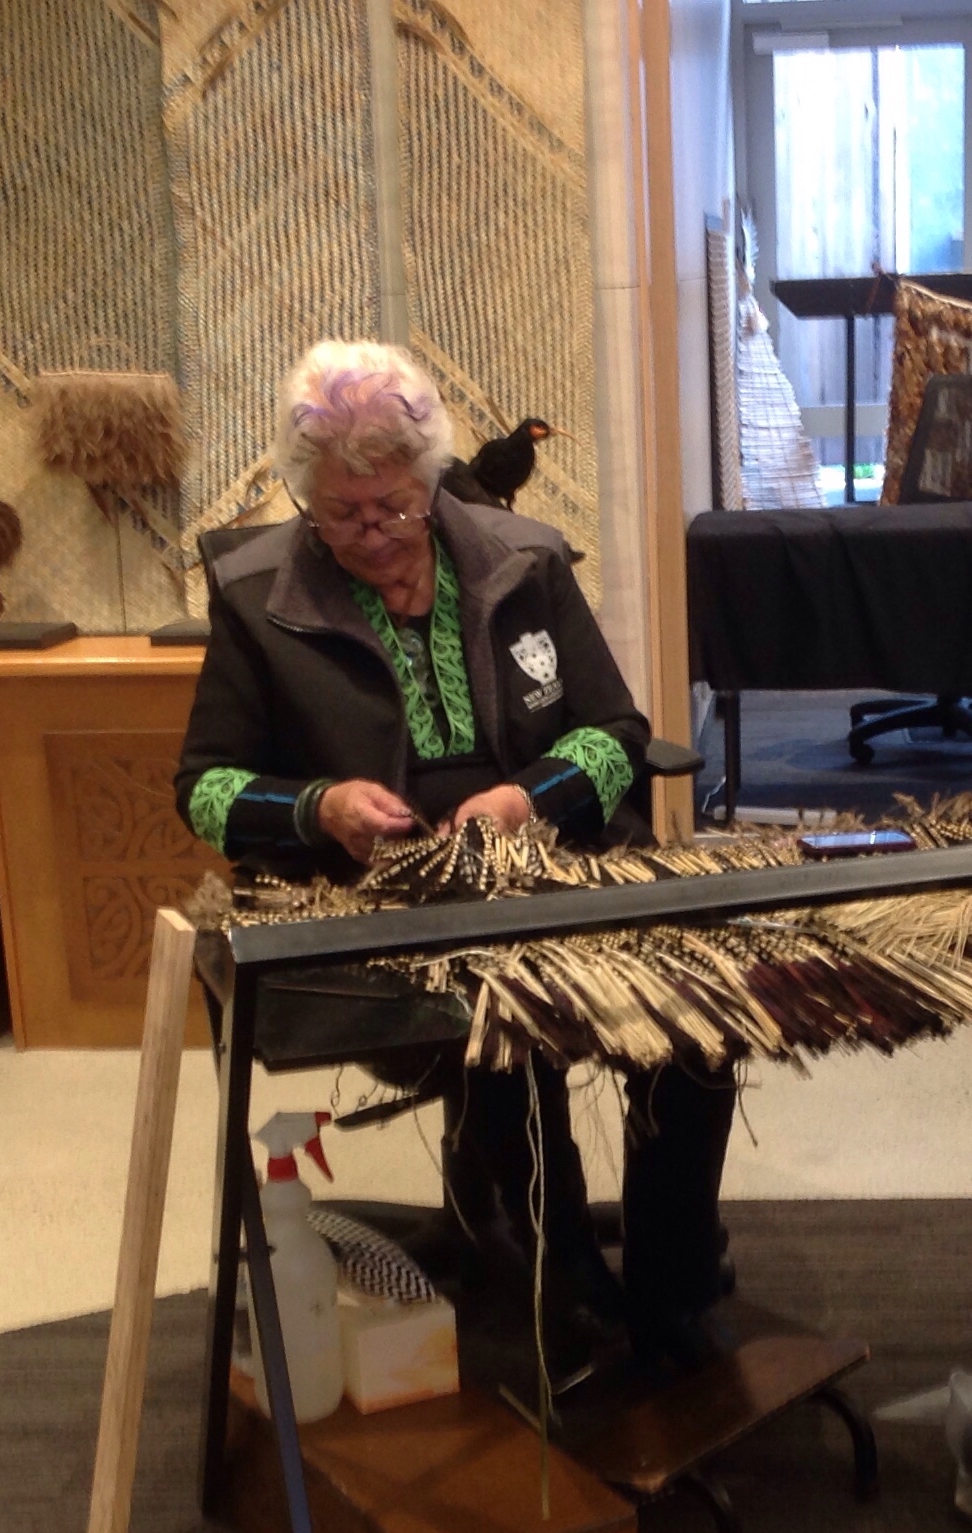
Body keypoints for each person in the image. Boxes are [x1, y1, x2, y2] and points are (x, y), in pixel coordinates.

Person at [175, 339, 737, 1374]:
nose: (373, 534)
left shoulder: (525, 562)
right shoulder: (258, 600)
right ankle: (557, 1270)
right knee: (500, 1034)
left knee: (698, 1032)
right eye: (342, 514)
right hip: (381, 900)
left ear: (430, 478)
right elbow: (204, 788)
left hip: (557, 870)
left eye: (393, 506)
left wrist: (527, 799)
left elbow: (618, 734)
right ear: (306, 499)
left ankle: (675, 1278)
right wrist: (320, 807)